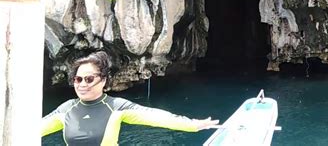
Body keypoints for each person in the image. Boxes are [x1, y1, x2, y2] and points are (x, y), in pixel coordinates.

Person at [41, 51, 219, 145]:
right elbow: (32, 130)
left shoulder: (115, 106)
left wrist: (192, 124)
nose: (82, 84)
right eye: (78, 79)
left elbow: (154, 116)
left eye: (89, 79)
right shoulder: (67, 109)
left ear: (103, 80)